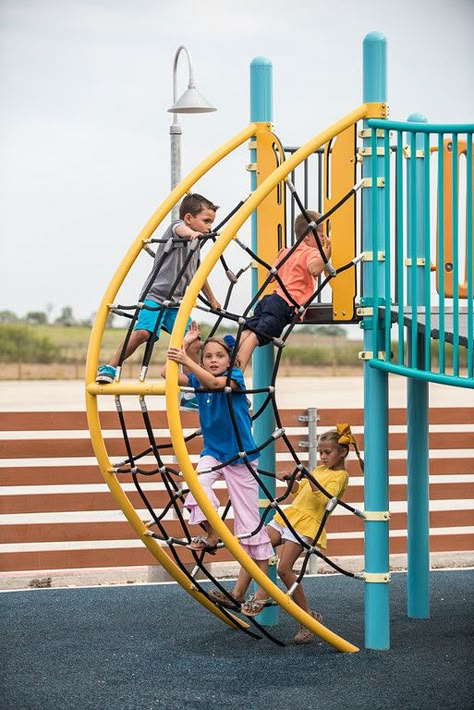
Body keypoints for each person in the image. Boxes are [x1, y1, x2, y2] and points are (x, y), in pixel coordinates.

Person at [207, 425, 363, 644]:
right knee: (254, 545)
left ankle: (307, 617)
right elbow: (303, 492)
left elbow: (325, 500)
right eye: (321, 452)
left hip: (305, 526)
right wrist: (292, 481)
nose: (323, 457)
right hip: (287, 518)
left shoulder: (341, 476)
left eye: (328, 452)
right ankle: (237, 594)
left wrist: (308, 478)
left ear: (343, 452)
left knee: (284, 569)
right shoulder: (318, 470)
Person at [163, 323, 273, 609]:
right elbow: (167, 374)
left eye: (219, 356)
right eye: (208, 356)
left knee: (249, 526)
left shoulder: (234, 377)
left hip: (240, 457)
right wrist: (186, 344)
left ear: (230, 360)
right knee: (194, 487)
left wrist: (187, 360)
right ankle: (212, 533)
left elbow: (215, 384)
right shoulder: (199, 379)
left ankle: (261, 592)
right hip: (212, 452)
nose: (213, 360)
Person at [96, 193, 221, 395]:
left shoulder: (195, 245)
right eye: (206, 221)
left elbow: (198, 274)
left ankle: (190, 391)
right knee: (143, 333)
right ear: (189, 218)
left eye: (211, 222)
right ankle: (109, 367)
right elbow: (180, 228)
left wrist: (213, 299)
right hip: (155, 296)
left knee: (193, 343)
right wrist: (190, 233)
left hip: (175, 303)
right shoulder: (177, 229)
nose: (209, 227)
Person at [237, 211, 331, 372]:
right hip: (284, 304)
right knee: (256, 337)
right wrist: (327, 252)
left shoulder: (285, 251)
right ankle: (236, 376)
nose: (324, 240)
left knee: (247, 331)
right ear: (308, 236)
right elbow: (314, 269)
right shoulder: (312, 252)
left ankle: (228, 360)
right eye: (322, 236)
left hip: (269, 300)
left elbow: (270, 277)